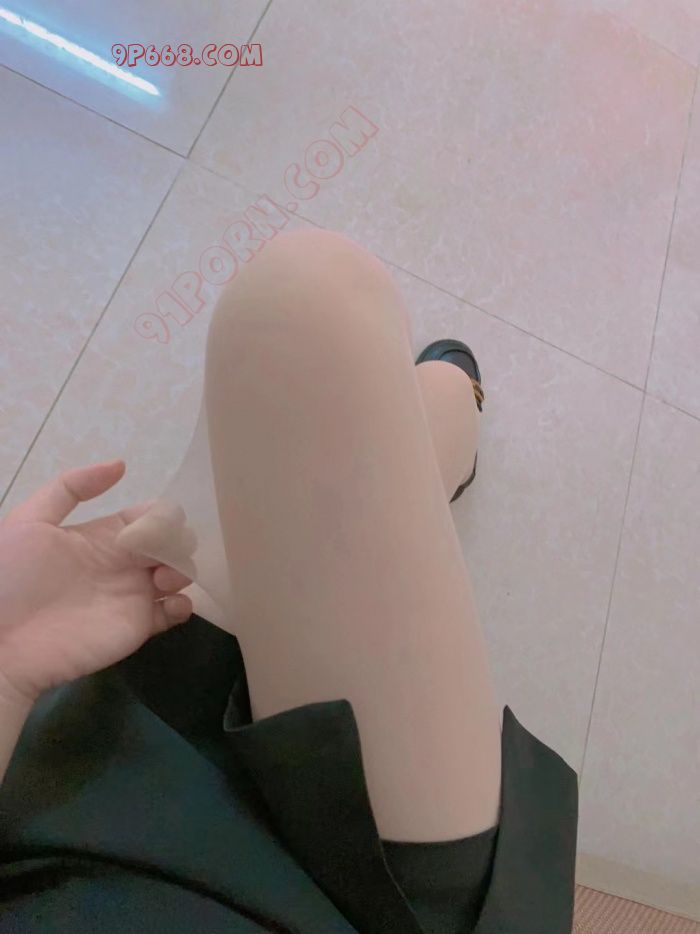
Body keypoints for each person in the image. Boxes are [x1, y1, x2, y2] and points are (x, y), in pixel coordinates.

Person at [0, 230, 578, 933]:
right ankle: (445, 421)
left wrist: (6, 660)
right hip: (366, 906)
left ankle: (432, 434)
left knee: (295, 317)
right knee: (323, 312)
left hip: (83, 798)